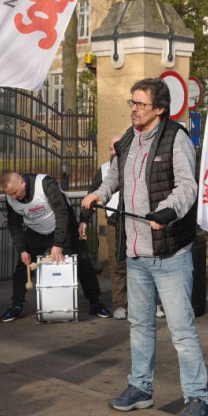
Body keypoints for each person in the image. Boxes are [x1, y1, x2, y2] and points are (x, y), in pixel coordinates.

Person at [80, 77, 208, 416]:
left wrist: (168, 210)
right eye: (132, 102)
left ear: (159, 109)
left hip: (169, 254)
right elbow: (115, 179)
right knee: (140, 325)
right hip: (135, 251)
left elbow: (187, 186)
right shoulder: (129, 138)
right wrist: (99, 194)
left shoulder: (176, 138)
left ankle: (198, 399)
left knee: (182, 331)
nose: (133, 108)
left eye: (139, 103)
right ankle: (141, 388)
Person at [0, 171, 111, 321]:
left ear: (22, 183)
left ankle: (95, 302)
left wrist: (58, 244)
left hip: (64, 226)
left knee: (83, 262)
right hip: (36, 231)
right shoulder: (10, 197)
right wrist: (22, 249)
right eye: (9, 194)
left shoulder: (45, 184)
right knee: (22, 265)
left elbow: (62, 212)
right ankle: (16, 306)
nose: (13, 197)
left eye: (14, 192)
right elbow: (14, 224)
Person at [79, 136, 128, 319]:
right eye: (111, 149)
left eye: (117, 148)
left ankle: (150, 303)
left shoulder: (134, 163)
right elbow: (92, 194)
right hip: (114, 221)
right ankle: (120, 304)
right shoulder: (104, 169)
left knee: (144, 264)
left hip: (135, 220)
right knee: (117, 263)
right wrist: (84, 220)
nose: (114, 152)